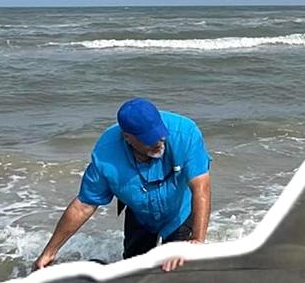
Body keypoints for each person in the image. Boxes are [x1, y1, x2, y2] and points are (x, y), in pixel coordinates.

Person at [33, 98, 212, 273]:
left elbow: (201, 188)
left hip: (179, 212)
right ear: (127, 137)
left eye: (159, 134)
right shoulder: (106, 155)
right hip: (140, 212)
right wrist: (49, 252)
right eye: (148, 139)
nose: (158, 142)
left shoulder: (185, 133)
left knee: (175, 270)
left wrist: (197, 241)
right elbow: (84, 205)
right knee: (134, 269)